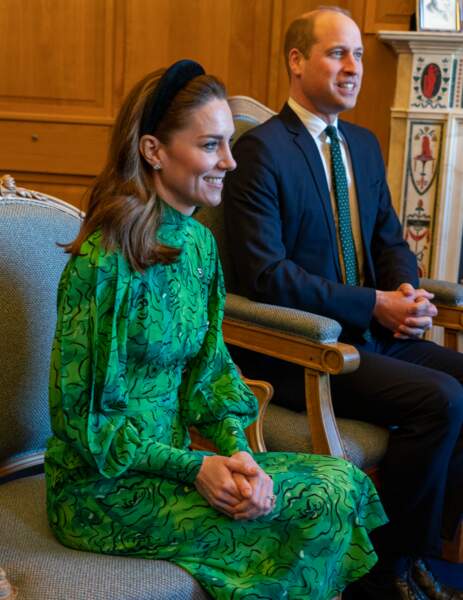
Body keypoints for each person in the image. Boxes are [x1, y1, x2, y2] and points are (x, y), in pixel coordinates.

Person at [44, 59, 387, 600]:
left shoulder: (200, 246)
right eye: (211, 146)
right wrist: (196, 466)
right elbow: (86, 423)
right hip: (101, 489)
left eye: (229, 143)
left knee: (340, 484)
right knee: (308, 510)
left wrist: (238, 455)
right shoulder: (104, 262)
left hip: (180, 469)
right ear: (154, 150)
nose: (230, 160)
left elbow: (209, 377)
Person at [223, 8, 463, 600]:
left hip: (371, 333)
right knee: (440, 398)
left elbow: (388, 240)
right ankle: (388, 569)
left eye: (357, 54)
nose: (352, 67)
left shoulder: (360, 142)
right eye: (337, 54)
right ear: (297, 61)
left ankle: (422, 547)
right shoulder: (260, 152)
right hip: (305, 345)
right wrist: (372, 305)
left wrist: (404, 291)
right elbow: (266, 275)